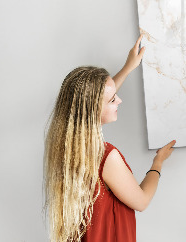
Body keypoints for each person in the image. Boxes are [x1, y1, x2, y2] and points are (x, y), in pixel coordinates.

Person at [44, 35, 176, 242]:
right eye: (113, 99)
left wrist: (128, 67)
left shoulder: (65, 145)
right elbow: (141, 201)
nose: (119, 100)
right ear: (93, 109)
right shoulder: (106, 157)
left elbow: (98, 96)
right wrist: (157, 162)